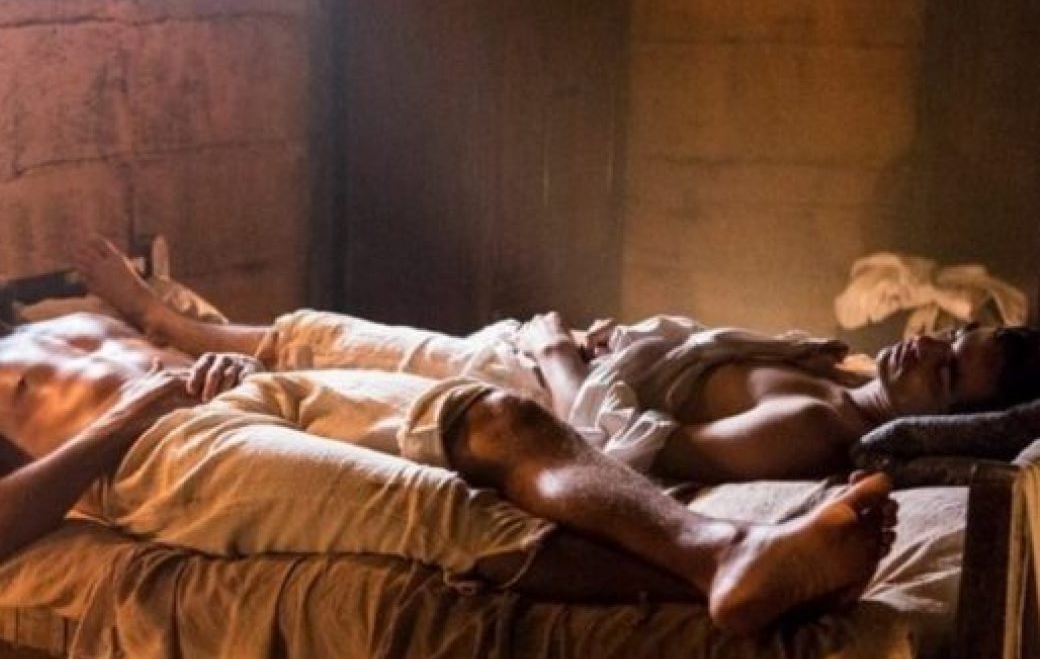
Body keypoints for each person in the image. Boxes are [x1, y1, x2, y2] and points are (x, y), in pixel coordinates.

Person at [0, 199, 899, 637]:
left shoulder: (71, 314)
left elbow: (177, 334)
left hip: (246, 392)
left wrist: (184, 343)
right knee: (442, 509)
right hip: (171, 459)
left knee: (497, 417)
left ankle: (726, 552)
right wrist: (142, 411)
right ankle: (719, 574)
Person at [77, 243, 1040, 483]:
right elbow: (688, 369)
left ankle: (163, 329)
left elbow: (632, 457)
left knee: (326, 355)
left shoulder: (817, 424)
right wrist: (633, 344)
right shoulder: (839, 371)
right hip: (553, 362)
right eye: (952, 338)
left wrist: (558, 358)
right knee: (330, 334)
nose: (928, 345)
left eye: (948, 372)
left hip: (528, 389)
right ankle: (169, 327)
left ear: (944, 422)